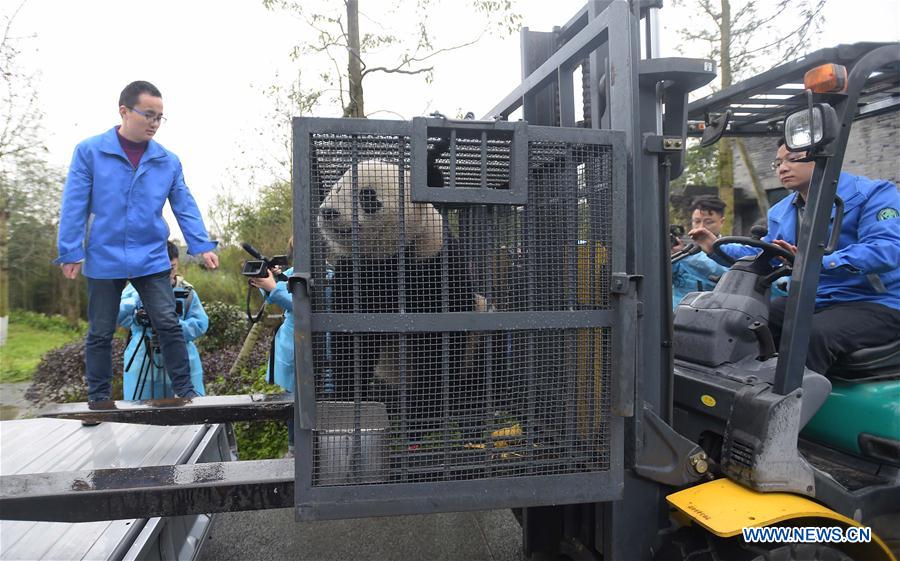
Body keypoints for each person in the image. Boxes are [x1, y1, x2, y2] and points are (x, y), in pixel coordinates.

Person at [56, 80, 219, 403]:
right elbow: (74, 204)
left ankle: (186, 393)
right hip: (104, 256)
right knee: (100, 331)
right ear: (124, 111)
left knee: (168, 323)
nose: (155, 123)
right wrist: (70, 251)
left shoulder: (168, 160)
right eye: (148, 115)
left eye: (160, 117)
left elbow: (184, 204)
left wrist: (201, 246)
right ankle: (99, 400)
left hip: (150, 255)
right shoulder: (90, 152)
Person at [689, 138, 900, 374]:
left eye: (792, 160)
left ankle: (792, 397)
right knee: (743, 319)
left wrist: (818, 261)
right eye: (778, 163)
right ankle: (737, 387)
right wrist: (715, 247)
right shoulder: (781, 211)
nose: (783, 168)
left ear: (823, 159)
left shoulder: (873, 194)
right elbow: (761, 253)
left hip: (874, 301)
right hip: (814, 298)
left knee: (809, 334)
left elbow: (887, 250)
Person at [119, 241, 208, 400]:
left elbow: (200, 324)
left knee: (189, 407)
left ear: (177, 263)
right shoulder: (134, 289)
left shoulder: (186, 291)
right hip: (143, 357)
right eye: (160, 269)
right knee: (139, 410)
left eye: (171, 267)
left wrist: (171, 325)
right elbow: (119, 315)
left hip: (182, 356)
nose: (167, 273)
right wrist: (137, 311)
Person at [248, 243, 297, 457]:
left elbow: (307, 306)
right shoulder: (291, 273)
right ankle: (293, 450)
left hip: (317, 351)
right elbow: (275, 294)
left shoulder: (329, 275)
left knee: (317, 403)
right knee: (292, 402)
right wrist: (268, 280)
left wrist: (274, 288)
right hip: (290, 348)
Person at [671, 196, 729, 309]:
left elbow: (724, 273)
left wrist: (683, 255)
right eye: (697, 221)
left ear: (722, 222)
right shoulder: (680, 247)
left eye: (709, 222)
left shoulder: (730, 249)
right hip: (678, 314)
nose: (701, 227)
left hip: (715, 313)